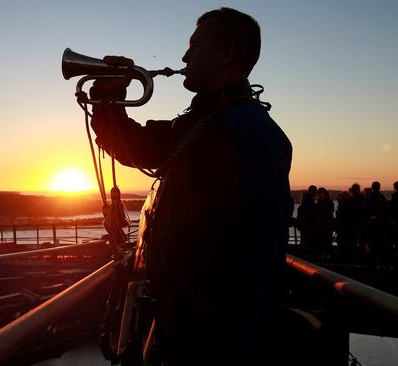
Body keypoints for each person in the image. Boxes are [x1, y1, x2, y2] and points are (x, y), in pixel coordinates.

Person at [89, 8, 292, 365]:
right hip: (189, 322)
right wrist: (107, 101)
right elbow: (136, 145)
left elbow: (251, 250)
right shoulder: (211, 120)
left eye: (194, 47)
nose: (184, 57)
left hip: (211, 337)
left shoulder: (244, 130)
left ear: (226, 53)